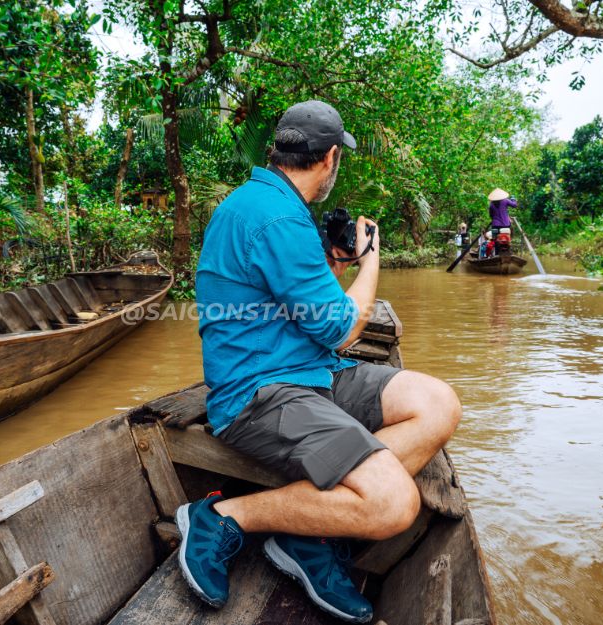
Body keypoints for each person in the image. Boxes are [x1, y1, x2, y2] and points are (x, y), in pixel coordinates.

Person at [179, 100, 461, 624]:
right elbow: (342, 328)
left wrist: (335, 263)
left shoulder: (270, 204)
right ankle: (222, 515)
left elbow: (307, 310)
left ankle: (312, 531)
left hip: (312, 372)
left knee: (437, 403)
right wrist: (371, 259)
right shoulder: (278, 217)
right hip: (261, 392)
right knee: (394, 505)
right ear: (330, 157)